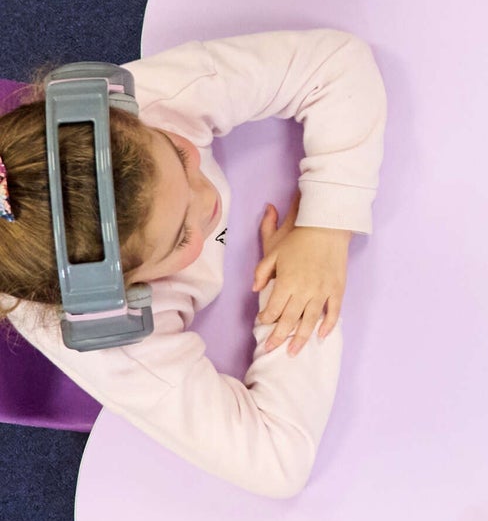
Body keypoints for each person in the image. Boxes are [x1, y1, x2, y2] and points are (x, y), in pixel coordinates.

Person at [0, 31, 385, 496]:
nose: (208, 201)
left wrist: (325, 228)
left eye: (181, 156)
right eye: (182, 236)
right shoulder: (118, 344)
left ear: (122, 108)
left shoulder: (148, 103)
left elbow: (336, 64)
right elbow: (276, 461)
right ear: (122, 295)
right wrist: (291, 298)